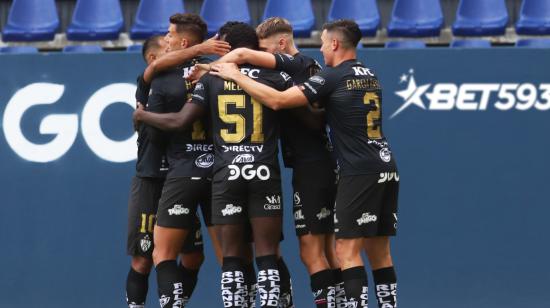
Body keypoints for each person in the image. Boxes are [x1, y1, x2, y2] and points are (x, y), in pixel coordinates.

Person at [209, 19, 399, 308]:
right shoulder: (368, 74)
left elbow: (273, 95)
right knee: (360, 251)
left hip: (322, 167)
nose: (321, 49)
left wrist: (228, 72)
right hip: (372, 164)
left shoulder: (307, 68)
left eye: (266, 52)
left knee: (323, 251)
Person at [133, 22, 294, 308]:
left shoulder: (206, 78)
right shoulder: (273, 76)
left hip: (213, 172)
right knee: (264, 253)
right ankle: (280, 302)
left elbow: (178, 120)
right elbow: (306, 117)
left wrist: (142, 116)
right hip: (258, 170)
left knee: (196, 255)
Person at [207, 17, 341, 308]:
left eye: (265, 51)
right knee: (316, 250)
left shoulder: (298, 66)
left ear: (281, 45)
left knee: (313, 251)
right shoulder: (281, 72)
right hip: (290, 166)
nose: (263, 58)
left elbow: (308, 116)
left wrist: (216, 71)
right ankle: (294, 301)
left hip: (312, 164)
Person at [126, 35, 204, 308]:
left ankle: (174, 302)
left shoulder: (182, 82)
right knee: (144, 258)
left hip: (179, 179)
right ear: (153, 59)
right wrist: (201, 47)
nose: (176, 52)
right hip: (151, 180)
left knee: (193, 257)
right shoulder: (147, 82)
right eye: (168, 49)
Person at [145, 13, 214, 308]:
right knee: (233, 256)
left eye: (170, 35)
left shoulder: (163, 80)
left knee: (163, 254)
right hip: (220, 171)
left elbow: (155, 133)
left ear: (183, 41)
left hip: (182, 171)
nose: (167, 39)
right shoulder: (218, 73)